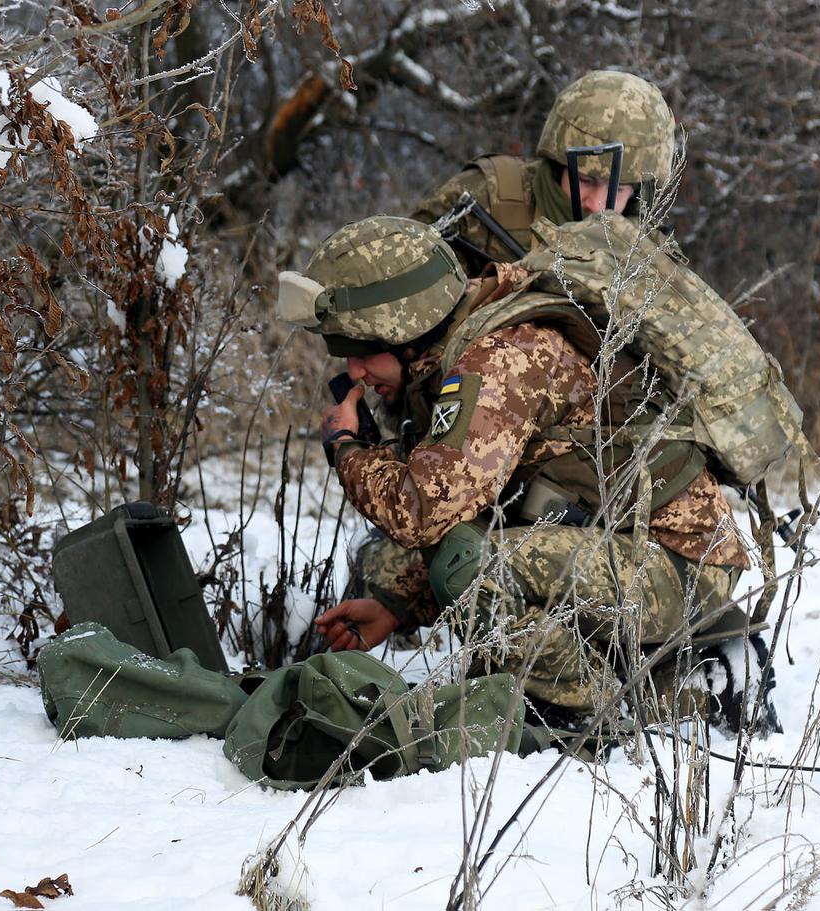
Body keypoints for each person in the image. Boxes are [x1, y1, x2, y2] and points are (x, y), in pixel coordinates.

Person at [279, 215, 778, 731]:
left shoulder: (500, 358)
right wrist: (396, 606)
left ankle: (605, 708)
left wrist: (349, 448)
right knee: (406, 562)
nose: (353, 373)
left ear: (403, 328)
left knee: (464, 565)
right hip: (621, 546)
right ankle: (645, 676)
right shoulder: (465, 342)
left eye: (359, 352)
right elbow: (479, 508)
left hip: (677, 565)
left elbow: (421, 512)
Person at [411, 69, 676, 276]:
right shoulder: (488, 196)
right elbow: (397, 277)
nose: (596, 204)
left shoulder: (647, 250)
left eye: (617, 189)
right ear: (558, 164)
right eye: (585, 180)